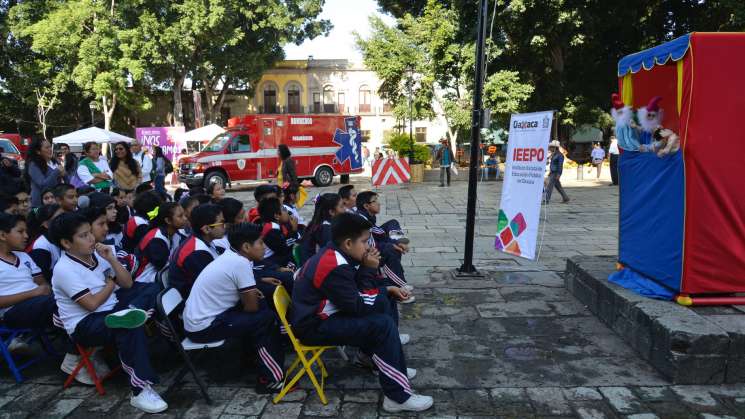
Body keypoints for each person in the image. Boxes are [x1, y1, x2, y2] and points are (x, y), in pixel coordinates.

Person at [291, 213, 431, 413]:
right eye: (365, 242)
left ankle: (374, 361)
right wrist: (369, 270)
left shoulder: (337, 253)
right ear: (348, 243)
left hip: (324, 315)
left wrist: (386, 289)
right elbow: (358, 305)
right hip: (313, 326)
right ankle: (397, 397)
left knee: (384, 299)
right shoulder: (334, 265)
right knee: (382, 325)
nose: (368, 247)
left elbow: (358, 294)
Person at [49, 213, 168, 413]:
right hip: (85, 324)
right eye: (84, 236)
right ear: (66, 243)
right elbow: (92, 304)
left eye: (90, 233)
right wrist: (111, 282)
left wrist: (111, 259)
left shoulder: (98, 254)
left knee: (151, 288)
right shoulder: (64, 269)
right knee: (127, 327)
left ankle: (131, 313)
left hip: (112, 308)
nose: (92, 239)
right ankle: (140, 391)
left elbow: (128, 283)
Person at [183, 222, 286, 393]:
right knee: (265, 319)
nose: (264, 247)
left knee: (262, 310)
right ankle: (269, 380)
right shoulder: (240, 263)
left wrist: (255, 289)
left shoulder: (233, 255)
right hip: (203, 326)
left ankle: (258, 359)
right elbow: (251, 307)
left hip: (204, 318)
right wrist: (252, 298)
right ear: (246, 246)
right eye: (260, 243)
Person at [169, 204, 224, 297]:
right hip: (194, 301)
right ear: (206, 229)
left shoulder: (203, 241)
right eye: (221, 223)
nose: (224, 227)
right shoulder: (197, 253)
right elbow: (212, 286)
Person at [134, 202, 187, 285]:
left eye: (184, 215)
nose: (185, 218)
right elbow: (164, 267)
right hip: (146, 279)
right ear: (168, 220)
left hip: (163, 275)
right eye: (180, 216)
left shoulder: (176, 233)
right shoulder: (156, 240)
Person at [299, 193, 344, 264]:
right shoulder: (325, 229)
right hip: (312, 270)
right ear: (332, 212)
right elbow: (332, 256)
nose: (345, 210)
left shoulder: (319, 223)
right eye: (341, 207)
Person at [26, 204, 64, 283]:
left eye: (64, 215)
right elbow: (45, 280)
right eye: (59, 218)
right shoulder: (41, 247)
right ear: (46, 224)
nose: (65, 220)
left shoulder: (66, 236)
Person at [25, 138, 64, 208]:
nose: (50, 149)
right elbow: (43, 185)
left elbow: (65, 180)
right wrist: (57, 171)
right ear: (38, 151)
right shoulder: (33, 165)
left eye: (50, 147)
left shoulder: (55, 162)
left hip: (55, 201)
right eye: (47, 147)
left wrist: (64, 174)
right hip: (39, 204)